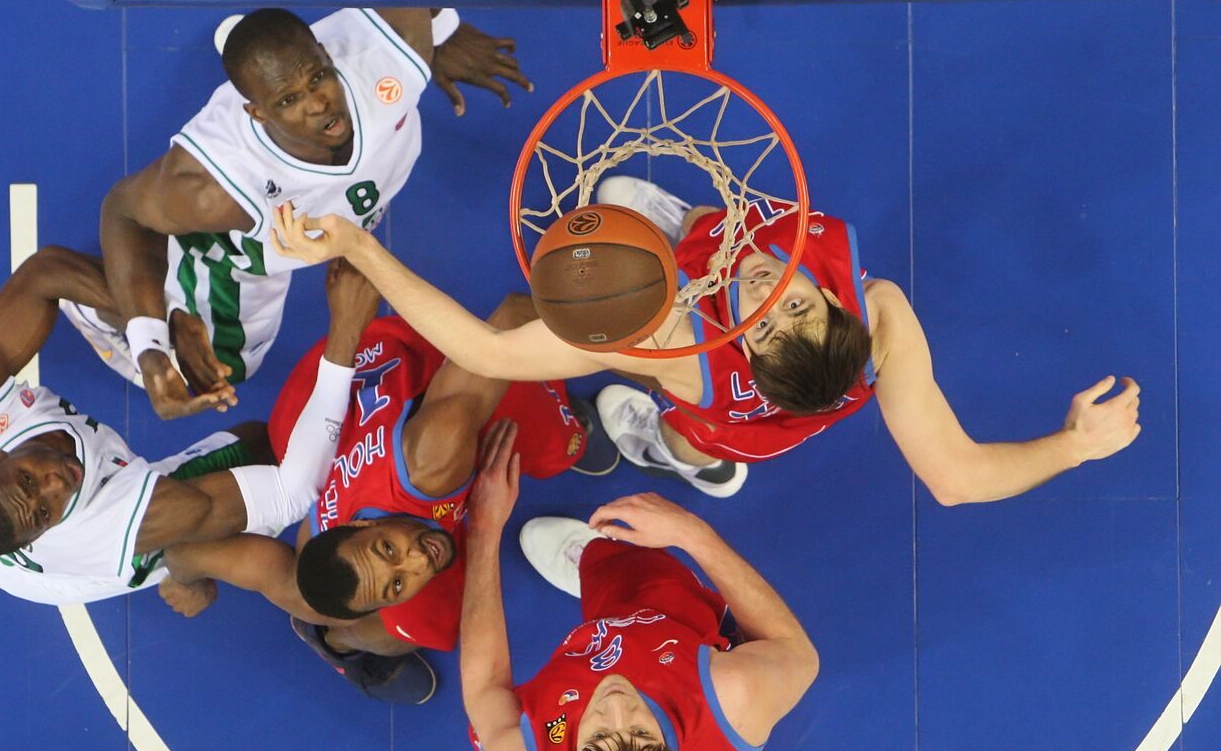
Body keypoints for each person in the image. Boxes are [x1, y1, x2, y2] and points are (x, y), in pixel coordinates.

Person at [266, 179, 1142, 501]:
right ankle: (678, 241)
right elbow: (953, 475)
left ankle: (684, 457)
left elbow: (491, 355)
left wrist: (358, 247)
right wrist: (1072, 444)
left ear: (743, 352)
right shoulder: (877, 312)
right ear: (837, 312)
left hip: (717, 415)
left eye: (762, 328)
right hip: (806, 393)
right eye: (797, 309)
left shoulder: (679, 347)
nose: (765, 294)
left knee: (685, 429)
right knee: (636, 200)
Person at [161, 262, 617, 704]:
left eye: (389, 551)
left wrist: (622, 340)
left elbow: (517, 313)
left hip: (366, 374)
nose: (420, 561)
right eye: (396, 585)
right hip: (310, 420)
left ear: (360, 528)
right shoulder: (313, 570)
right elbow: (182, 551)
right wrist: (185, 582)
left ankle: (563, 421)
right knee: (409, 627)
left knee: (557, 438)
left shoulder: (435, 456)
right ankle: (338, 645)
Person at [71, 6, 531, 419]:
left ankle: (252, 47)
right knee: (222, 368)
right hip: (253, 242)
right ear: (256, 113)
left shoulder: (390, 54)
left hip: (345, 192)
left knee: (297, 66)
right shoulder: (214, 189)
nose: (317, 104)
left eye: (318, 78)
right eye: (288, 101)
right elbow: (123, 211)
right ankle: (99, 305)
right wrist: (150, 344)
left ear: (329, 56)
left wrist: (442, 29)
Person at [0, 245, 365, 606]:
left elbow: (43, 273)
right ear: (38, 533)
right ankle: (337, 644)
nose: (55, 486)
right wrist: (344, 334)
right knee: (257, 450)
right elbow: (292, 492)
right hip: (76, 565)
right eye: (43, 511)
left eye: (29, 480)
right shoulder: (109, 525)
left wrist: (157, 337)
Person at [459, 430, 819, 751]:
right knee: (643, 573)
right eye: (641, 731)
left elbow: (484, 688)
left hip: (590, 678)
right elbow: (799, 656)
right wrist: (694, 533)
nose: (616, 705)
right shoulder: (731, 694)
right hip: (659, 624)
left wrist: (484, 531)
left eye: (601, 736)